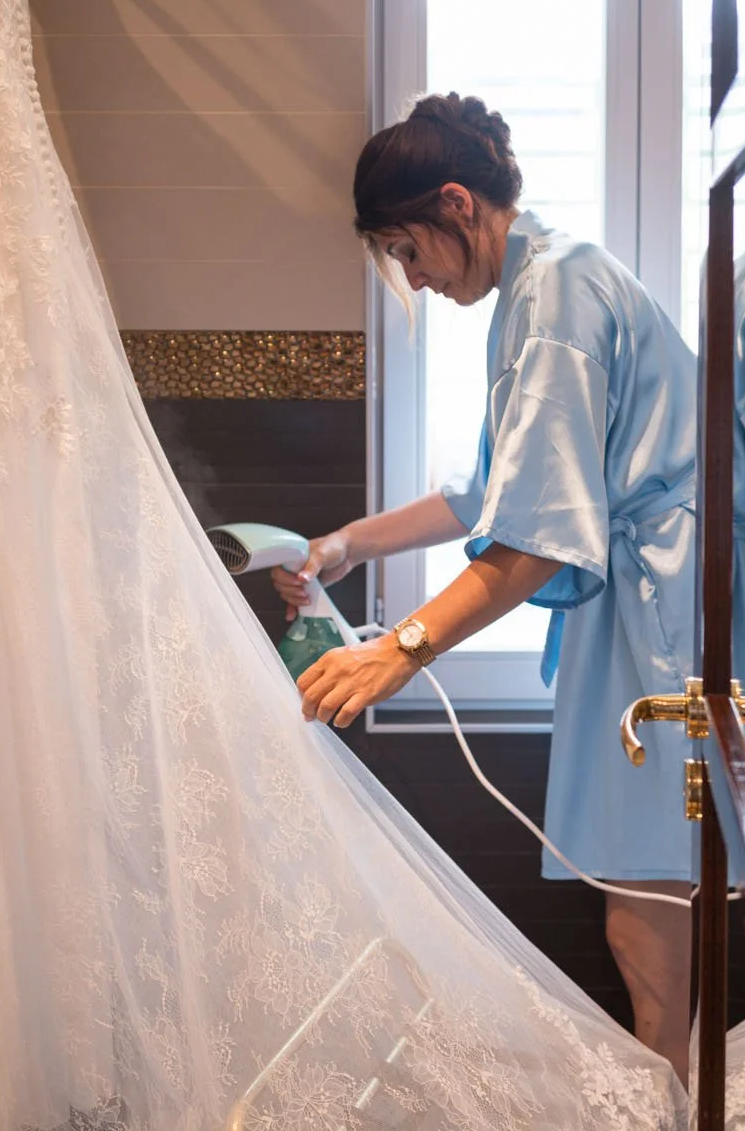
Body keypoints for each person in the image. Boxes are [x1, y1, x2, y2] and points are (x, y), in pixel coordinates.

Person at [276, 94, 698, 1080]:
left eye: (405, 250)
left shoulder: (552, 302)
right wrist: (341, 543)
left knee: (644, 916)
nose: (413, 281)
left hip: (659, 617)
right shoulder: (538, 289)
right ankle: (676, 1127)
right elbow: (485, 491)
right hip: (644, 613)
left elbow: (539, 535)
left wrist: (398, 648)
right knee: (653, 903)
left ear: (456, 203)